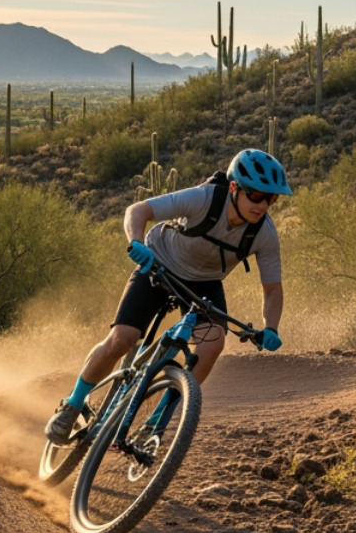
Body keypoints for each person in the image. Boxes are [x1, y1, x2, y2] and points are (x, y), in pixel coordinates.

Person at [44, 149, 291, 444]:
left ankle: (157, 421)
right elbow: (139, 210)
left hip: (204, 283)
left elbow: (272, 289)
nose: (263, 205)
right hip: (158, 263)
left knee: (213, 342)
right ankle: (73, 404)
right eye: (256, 196)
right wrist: (135, 242)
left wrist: (271, 327)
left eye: (271, 199)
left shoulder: (264, 234)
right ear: (235, 188)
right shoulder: (204, 198)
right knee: (122, 338)